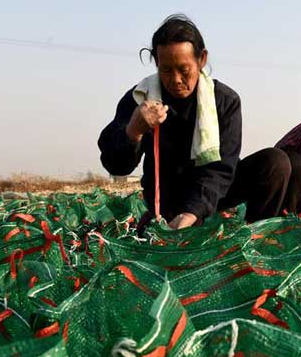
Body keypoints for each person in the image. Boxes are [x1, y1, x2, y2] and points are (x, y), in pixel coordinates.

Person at [98, 14, 291, 229]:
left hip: (211, 192)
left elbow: (220, 168)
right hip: (168, 198)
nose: (176, 79)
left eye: (184, 69)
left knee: (277, 163)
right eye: (166, 70)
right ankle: (163, 221)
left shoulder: (224, 101)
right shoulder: (140, 100)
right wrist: (133, 131)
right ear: (156, 62)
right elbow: (116, 165)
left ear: (202, 60)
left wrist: (192, 212)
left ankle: (256, 239)